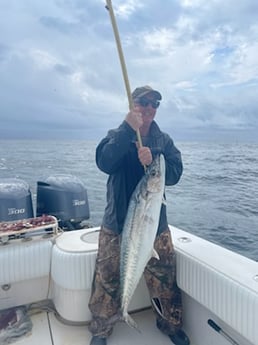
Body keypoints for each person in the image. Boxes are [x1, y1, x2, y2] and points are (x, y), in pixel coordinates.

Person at [88, 85, 190, 345]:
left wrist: (153, 155)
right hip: (117, 223)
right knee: (107, 281)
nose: (148, 108)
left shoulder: (164, 140)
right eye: (143, 102)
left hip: (154, 225)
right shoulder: (115, 134)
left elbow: (175, 174)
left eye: (154, 103)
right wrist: (125, 130)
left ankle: (170, 325)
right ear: (132, 104)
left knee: (164, 281)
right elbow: (105, 162)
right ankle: (101, 329)